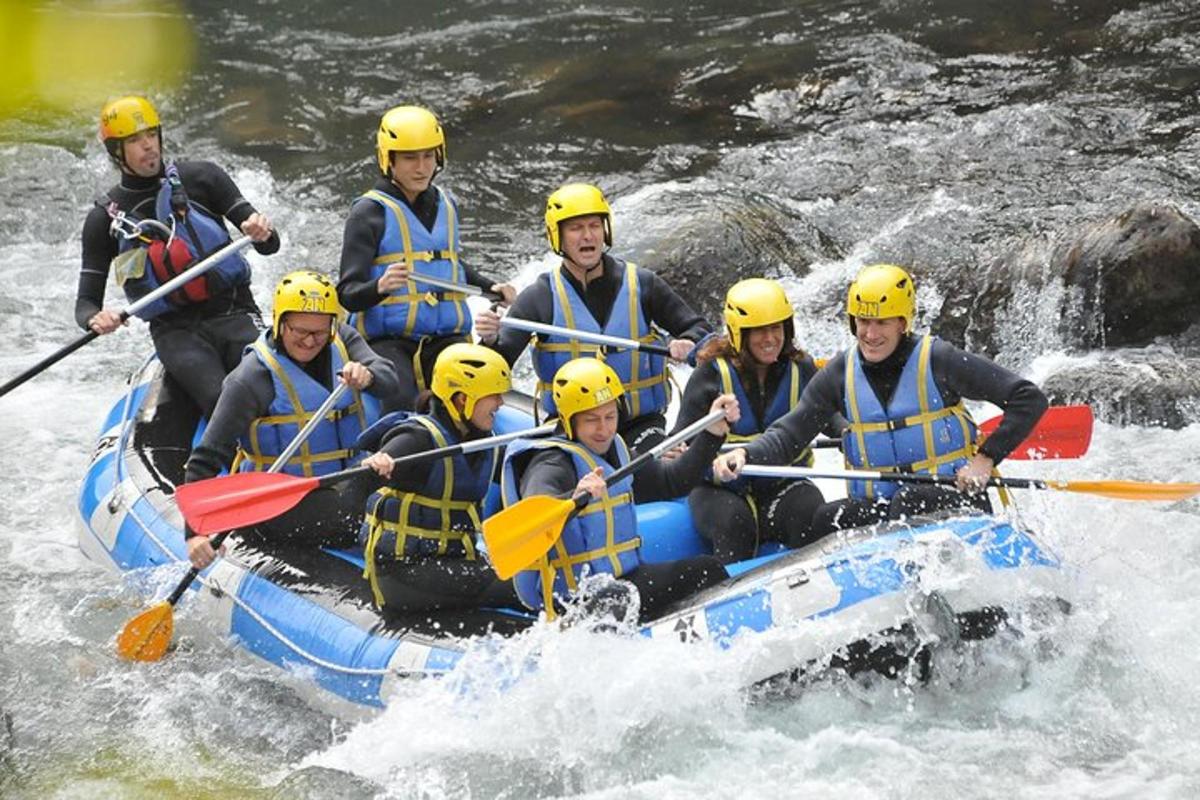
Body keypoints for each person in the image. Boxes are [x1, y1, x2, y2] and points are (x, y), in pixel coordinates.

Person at [715, 264, 1049, 535]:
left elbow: (1027, 398)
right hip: (885, 510)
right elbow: (790, 433)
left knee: (908, 501)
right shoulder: (838, 374)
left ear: (903, 322)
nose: (871, 335)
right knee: (826, 519)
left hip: (953, 500)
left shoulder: (939, 360)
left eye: (882, 323)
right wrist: (746, 452)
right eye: (863, 322)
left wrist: (986, 459)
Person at [76, 95, 280, 417]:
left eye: (151, 135)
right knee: (220, 400)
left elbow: (271, 245)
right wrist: (95, 318)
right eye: (135, 140)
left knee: (269, 388)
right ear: (117, 152)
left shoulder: (202, 178)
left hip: (233, 309)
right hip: (175, 330)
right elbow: (85, 303)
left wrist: (260, 230)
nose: (148, 146)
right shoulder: (104, 220)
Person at [183, 271, 400, 569]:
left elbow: (389, 380)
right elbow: (205, 458)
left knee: (406, 496)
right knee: (352, 517)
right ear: (280, 322)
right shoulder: (250, 379)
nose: (311, 341)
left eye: (320, 333)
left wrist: (370, 375)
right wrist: (194, 534)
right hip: (280, 500)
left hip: (345, 480)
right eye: (300, 331)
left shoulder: (343, 339)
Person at [475, 182, 712, 452]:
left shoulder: (643, 284)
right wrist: (491, 340)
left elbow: (699, 329)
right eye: (576, 228)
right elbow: (494, 367)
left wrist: (688, 341)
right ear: (557, 236)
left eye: (594, 226)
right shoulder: (539, 297)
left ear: (605, 230)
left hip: (641, 424)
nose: (588, 236)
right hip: (572, 425)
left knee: (653, 461)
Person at [500, 358, 737, 622]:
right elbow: (534, 509)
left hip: (625, 581)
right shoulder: (551, 462)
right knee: (618, 600)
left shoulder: (617, 450)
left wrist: (712, 434)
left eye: (610, 416)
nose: (604, 429)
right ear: (569, 421)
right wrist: (575, 497)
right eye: (592, 420)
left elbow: (673, 481)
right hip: (579, 601)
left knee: (706, 569)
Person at [336, 105, 515, 412]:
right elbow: (348, 294)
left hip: (447, 336)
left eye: (428, 156)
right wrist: (380, 286)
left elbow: (449, 265)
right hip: (391, 341)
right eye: (409, 158)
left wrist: (490, 286)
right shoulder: (368, 212)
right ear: (388, 159)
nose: (421, 167)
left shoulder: (447, 204)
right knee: (399, 399)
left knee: (479, 393)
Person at [357, 343, 521, 614]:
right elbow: (377, 466)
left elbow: (522, 471)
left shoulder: (483, 442)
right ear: (461, 399)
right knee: (523, 585)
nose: (500, 404)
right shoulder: (416, 439)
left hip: (451, 559)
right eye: (493, 396)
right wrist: (379, 462)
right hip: (404, 571)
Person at [676, 278, 828, 563]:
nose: (770, 339)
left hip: (782, 483)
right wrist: (711, 470)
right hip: (718, 489)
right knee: (734, 523)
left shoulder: (802, 368)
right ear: (738, 333)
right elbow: (682, 443)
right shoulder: (710, 375)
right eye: (759, 331)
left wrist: (850, 434)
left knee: (809, 510)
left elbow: (830, 418)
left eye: (776, 328)